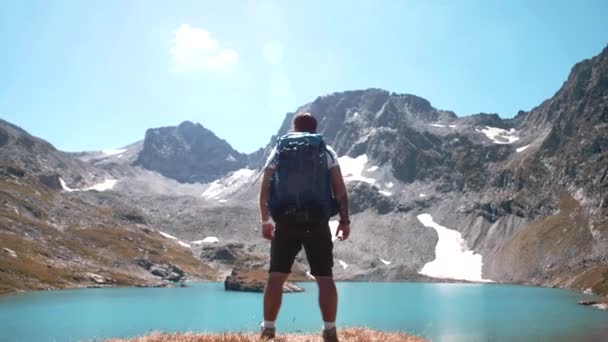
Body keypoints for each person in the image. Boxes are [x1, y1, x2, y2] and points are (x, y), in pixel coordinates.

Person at [258, 112, 351, 342]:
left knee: (276, 277)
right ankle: (329, 332)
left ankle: (268, 330)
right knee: (325, 278)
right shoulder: (325, 151)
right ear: (315, 128)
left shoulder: (279, 150)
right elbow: (340, 190)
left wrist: (265, 221)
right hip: (317, 222)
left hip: (286, 222)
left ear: (294, 127)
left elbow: (265, 190)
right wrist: (344, 220)